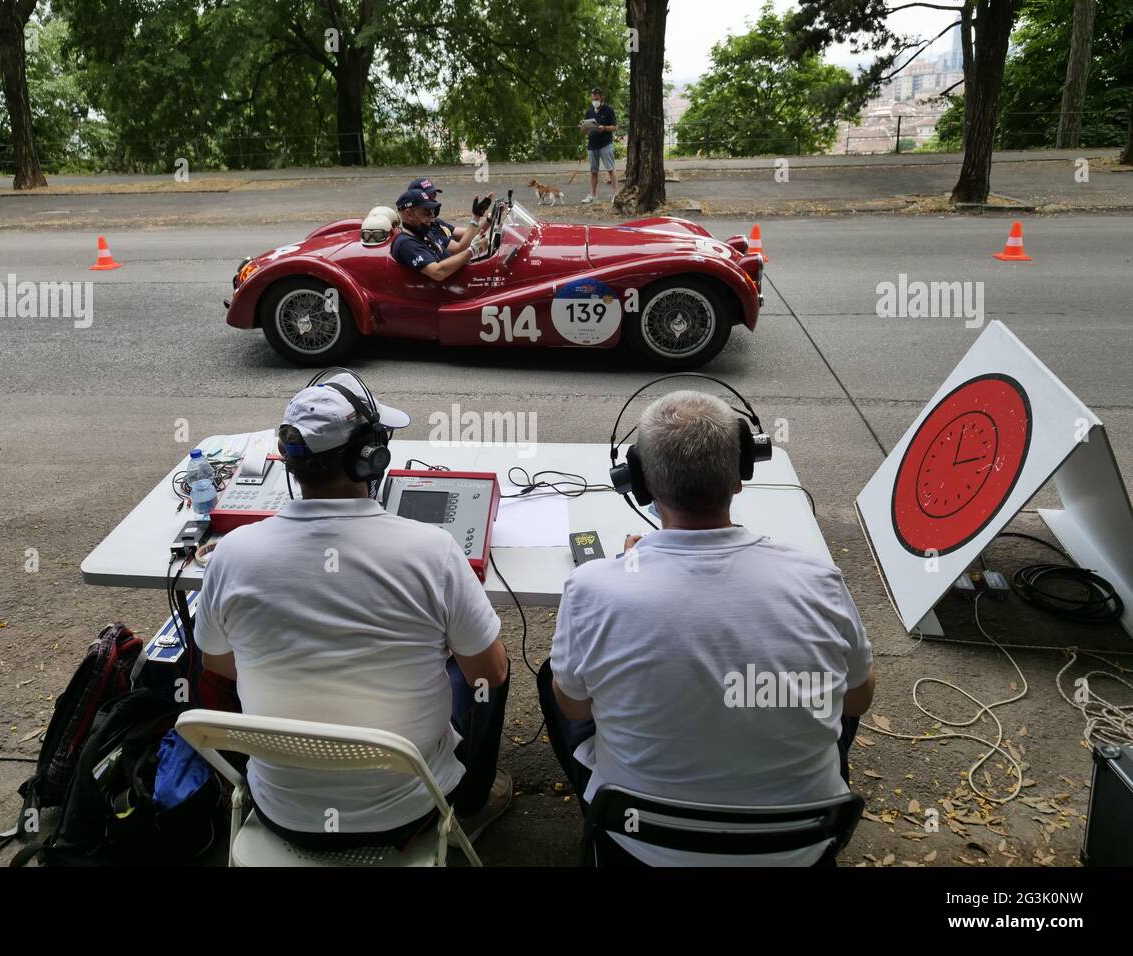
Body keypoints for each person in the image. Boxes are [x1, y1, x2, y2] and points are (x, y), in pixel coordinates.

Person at [538, 390, 875, 866]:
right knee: (837, 684)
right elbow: (858, 701)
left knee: (557, 676)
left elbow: (574, 705)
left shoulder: (594, 589)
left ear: (640, 484)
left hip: (641, 845)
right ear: (741, 475)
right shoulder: (818, 580)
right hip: (798, 846)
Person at [194, 371, 513, 851]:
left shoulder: (233, 554)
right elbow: (490, 671)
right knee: (482, 668)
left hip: (280, 811)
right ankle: (470, 798)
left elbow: (219, 665)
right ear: (371, 459)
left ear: (290, 462)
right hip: (408, 812)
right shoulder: (433, 552)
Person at [391, 187, 494, 282]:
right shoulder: (406, 243)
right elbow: (437, 272)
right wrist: (472, 250)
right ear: (409, 214)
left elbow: (465, 237)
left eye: (432, 211)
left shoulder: (423, 231)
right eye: (426, 212)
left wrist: (485, 219)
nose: (432, 217)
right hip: (441, 298)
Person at [581, 87, 618, 204]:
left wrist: (604, 128)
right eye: (593, 97)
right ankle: (592, 195)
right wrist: (583, 127)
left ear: (601, 97)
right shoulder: (589, 111)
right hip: (592, 146)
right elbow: (583, 132)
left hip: (605, 144)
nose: (595, 99)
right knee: (593, 171)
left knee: (610, 169)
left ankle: (616, 194)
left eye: (596, 97)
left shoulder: (608, 110)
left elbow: (615, 127)